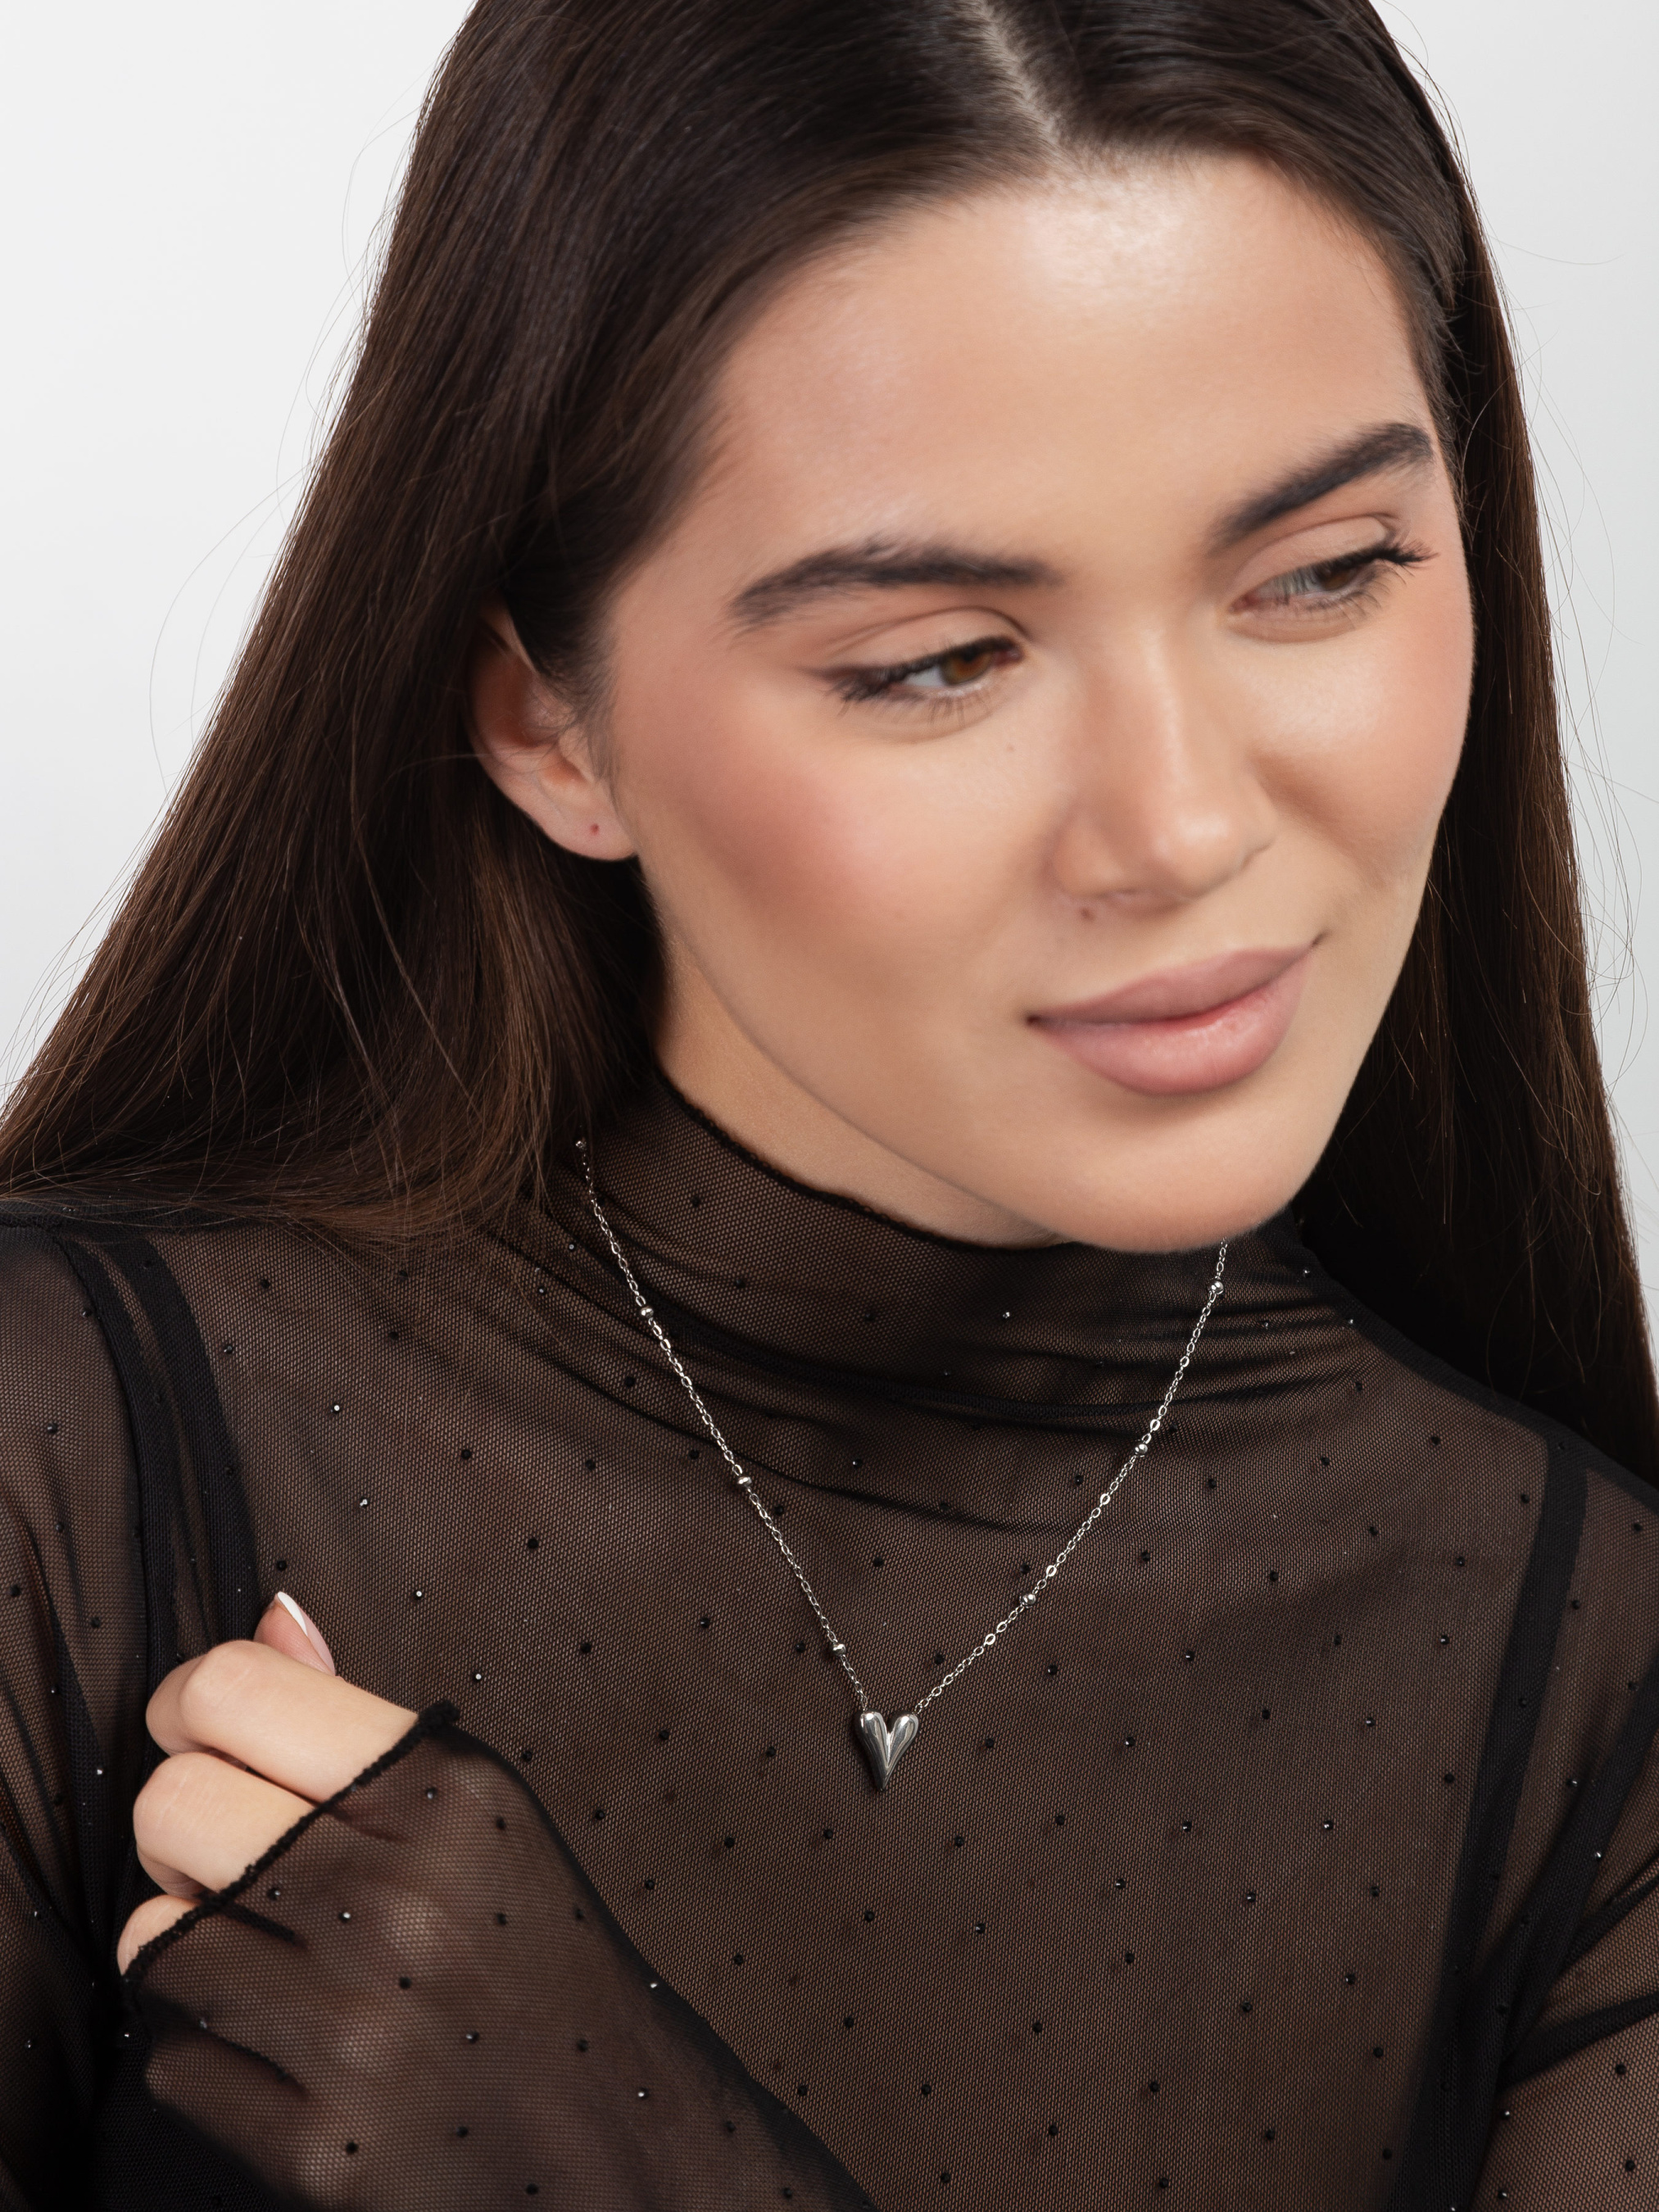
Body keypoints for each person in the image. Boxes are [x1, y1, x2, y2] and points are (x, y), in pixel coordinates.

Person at [2, 0, 1655, 2204]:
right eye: (936, 660)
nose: (1179, 826)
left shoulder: (1601, 1691)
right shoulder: (58, 1460)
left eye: (1323, 572)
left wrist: (634, 2153)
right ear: (548, 722)